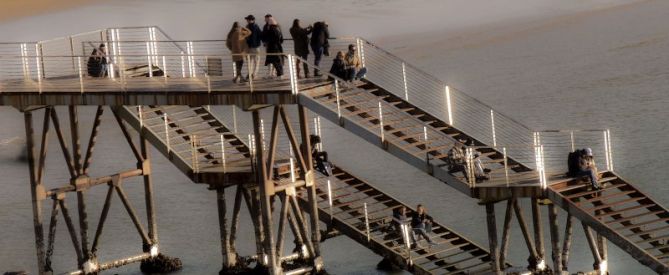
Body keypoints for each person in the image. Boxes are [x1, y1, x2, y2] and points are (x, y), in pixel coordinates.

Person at [244, 15, 262, 80]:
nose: (247, 20)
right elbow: (260, 35)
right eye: (247, 19)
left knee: (250, 61)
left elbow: (244, 37)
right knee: (256, 62)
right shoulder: (256, 27)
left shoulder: (246, 27)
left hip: (249, 47)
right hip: (256, 47)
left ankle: (249, 74)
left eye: (248, 19)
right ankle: (254, 74)